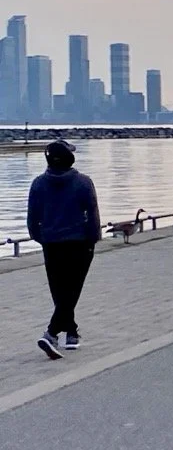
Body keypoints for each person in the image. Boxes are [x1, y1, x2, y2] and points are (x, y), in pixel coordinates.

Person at [26, 140, 100, 359]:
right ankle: (51, 333)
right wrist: (93, 239)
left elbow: (32, 218)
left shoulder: (38, 184)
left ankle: (71, 332)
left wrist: (40, 238)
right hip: (80, 243)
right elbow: (93, 213)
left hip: (51, 243)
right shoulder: (83, 182)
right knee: (72, 290)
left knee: (60, 290)